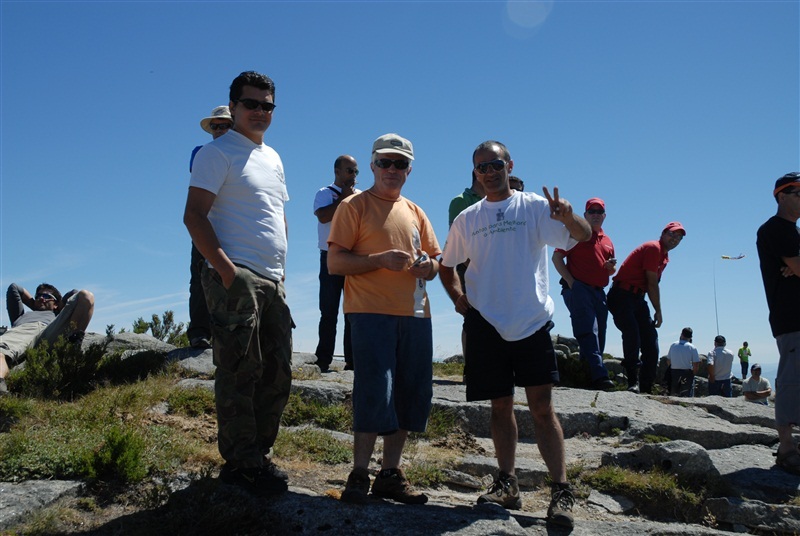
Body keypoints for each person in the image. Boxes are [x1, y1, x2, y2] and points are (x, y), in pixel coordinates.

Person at [439, 140, 591, 528]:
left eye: (494, 164)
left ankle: (560, 489)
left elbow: (583, 236)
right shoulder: (468, 218)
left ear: (509, 165)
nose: (488, 172)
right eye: (480, 168)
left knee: (542, 409)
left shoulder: (535, 208)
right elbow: (447, 265)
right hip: (486, 323)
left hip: (530, 322)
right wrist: (459, 298)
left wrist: (570, 216)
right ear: (475, 173)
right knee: (499, 407)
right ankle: (507, 482)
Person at [183, 71, 292, 497]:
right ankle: (241, 463)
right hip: (237, 276)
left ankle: (258, 455)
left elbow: (274, 214)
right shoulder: (217, 153)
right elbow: (194, 215)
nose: (260, 112)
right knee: (239, 370)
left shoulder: (274, 157)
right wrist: (227, 271)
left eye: (267, 105)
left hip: (272, 279)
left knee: (277, 372)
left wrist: (281, 271)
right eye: (251, 104)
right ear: (233, 107)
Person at [328, 133, 440, 506]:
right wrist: (378, 260)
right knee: (375, 389)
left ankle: (390, 474)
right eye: (385, 162)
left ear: (409, 169)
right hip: (368, 312)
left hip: (415, 313)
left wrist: (428, 266)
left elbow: (436, 262)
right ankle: (359, 473)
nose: (392, 170)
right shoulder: (353, 206)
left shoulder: (415, 211)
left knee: (411, 391)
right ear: (373, 165)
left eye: (400, 164)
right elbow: (336, 263)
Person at [606, 222, 686, 394]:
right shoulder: (653, 248)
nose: (675, 239)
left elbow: (653, 283)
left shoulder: (664, 257)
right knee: (632, 333)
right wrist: (658, 310)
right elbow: (651, 283)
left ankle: (646, 387)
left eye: (679, 237)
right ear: (663, 233)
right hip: (621, 295)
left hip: (637, 298)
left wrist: (654, 308)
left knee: (651, 341)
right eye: (672, 234)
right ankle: (633, 382)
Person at [756, 171, 800, 475]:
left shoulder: (791, 232)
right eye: (798, 192)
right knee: (790, 381)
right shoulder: (776, 229)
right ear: (781, 196)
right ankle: (786, 448)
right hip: (791, 316)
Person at [552, 197, 616, 390]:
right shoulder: (575, 233)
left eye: (599, 212)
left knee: (600, 334)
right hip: (579, 289)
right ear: (586, 214)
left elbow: (610, 270)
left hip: (599, 292)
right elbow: (556, 258)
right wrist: (572, 283)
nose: (596, 215)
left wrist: (609, 268)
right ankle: (600, 376)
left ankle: (586, 374)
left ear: (604, 216)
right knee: (588, 330)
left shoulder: (607, 240)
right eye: (592, 211)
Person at [186, 105, 234, 349]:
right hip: (206, 225)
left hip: (234, 227)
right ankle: (199, 332)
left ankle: (228, 332)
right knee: (199, 279)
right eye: (215, 126)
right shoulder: (201, 152)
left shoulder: (246, 154)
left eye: (224, 125)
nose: (218, 130)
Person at [0, 283, 95, 395]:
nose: (41, 298)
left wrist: (58, 307)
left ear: (56, 304)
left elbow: (75, 293)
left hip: (50, 331)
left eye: (46, 296)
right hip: (24, 330)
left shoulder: (57, 315)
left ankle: (74, 345)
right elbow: (14, 288)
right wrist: (36, 305)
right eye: (38, 296)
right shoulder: (19, 315)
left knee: (86, 295)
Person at [312, 155, 360, 372]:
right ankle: (323, 359)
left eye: (356, 172)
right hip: (330, 257)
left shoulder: (360, 197)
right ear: (337, 171)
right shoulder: (325, 193)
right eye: (349, 171)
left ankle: (352, 361)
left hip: (353, 258)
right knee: (329, 310)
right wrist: (343, 199)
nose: (353, 176)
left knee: (353, 311)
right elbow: (322, 216)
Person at [665, 328, 699, 397]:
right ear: (691, 337)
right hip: (687, 372)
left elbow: (668, 360)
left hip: (674, 371)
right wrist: (694, 373)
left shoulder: (673, 345)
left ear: (681, 334)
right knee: (686, 393)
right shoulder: (692, 347)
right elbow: (696, 363)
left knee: (674, 392)